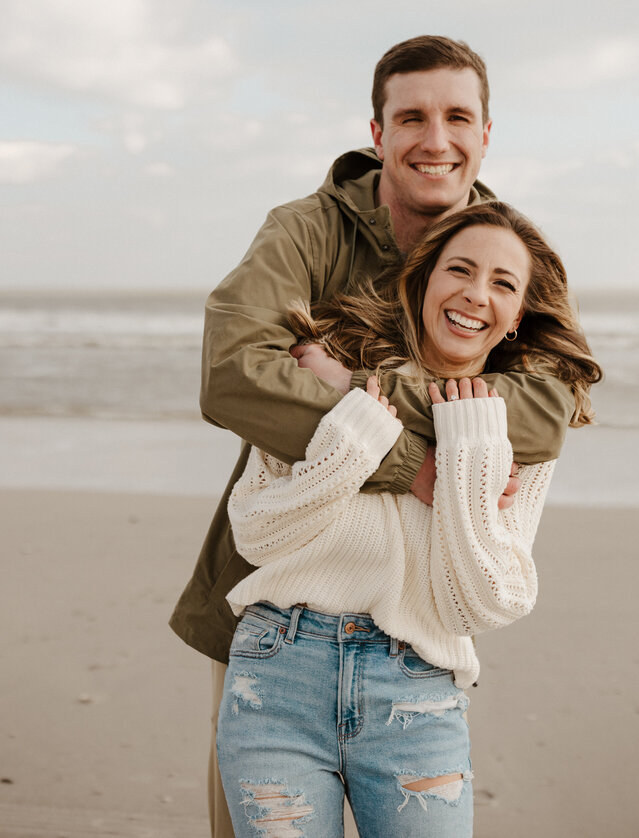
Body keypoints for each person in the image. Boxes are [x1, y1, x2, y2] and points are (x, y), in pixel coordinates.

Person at [169, 36, 576, 836]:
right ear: (377, 131)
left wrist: (349, 394)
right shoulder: (305, 231)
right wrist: (429, 457)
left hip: (414, 633)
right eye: (412, 116)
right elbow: (231, 373)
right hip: (280, 586)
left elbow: (544, 409)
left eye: (458, 116)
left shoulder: (501, 251)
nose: (436, 139)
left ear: (485, 133)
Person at [215, 202, 601, 837]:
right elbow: (259, 533)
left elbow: (481, 604)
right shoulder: (322, 377)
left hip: (416, 699)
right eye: (460, 270)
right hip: (277, 678)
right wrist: (355, 431)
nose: (476, 295)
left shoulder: (515, 437)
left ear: (516, 319)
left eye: (503, 283)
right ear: (423, 281)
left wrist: (470, 454)